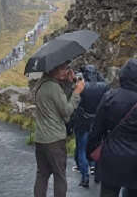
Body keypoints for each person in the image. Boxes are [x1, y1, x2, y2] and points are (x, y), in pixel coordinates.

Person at [87, 58, 137, 197]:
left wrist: (90, 151)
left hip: (111, 156)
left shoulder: (109, 97)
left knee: (108, 192)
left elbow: (96, 129)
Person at [33, 62, 85, 197]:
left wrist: (68, 84)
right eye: (62, 68)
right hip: (55, 140)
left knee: (42, 175)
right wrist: (77, 92)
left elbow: (58, 103)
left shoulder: (40, 84)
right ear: (52, 68)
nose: (66, 71)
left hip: (40, 138)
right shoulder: (53, 87)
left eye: (67, 68)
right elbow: (66, 111)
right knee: (60, 176)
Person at [72, 65, 109, 188]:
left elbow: (75, 103)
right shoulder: (103, 86)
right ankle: (97, 174)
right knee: (98, 148)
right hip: (98, 122)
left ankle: (85, 177)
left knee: (82, 149)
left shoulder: (82, 86)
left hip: (83, 123)